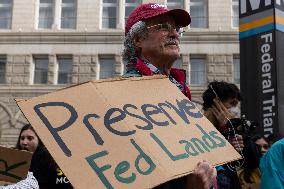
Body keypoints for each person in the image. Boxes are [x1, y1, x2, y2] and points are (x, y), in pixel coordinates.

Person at [123, 3, 217, 189]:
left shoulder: (178, 87)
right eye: (163, 26)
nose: (174, 33)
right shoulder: (126, 91)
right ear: (137, 40)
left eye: (176, 28)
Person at [202, 81, 244, 189]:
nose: (235, 110)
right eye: (232, 103)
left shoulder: (229, 129)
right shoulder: (196, 128)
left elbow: (252, 160)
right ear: (216, 102)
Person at [2, 124, 41, 189]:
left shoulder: (49, 160)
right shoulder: (11, 157)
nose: (24, 142)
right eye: (22, 138)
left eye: (30, 138)